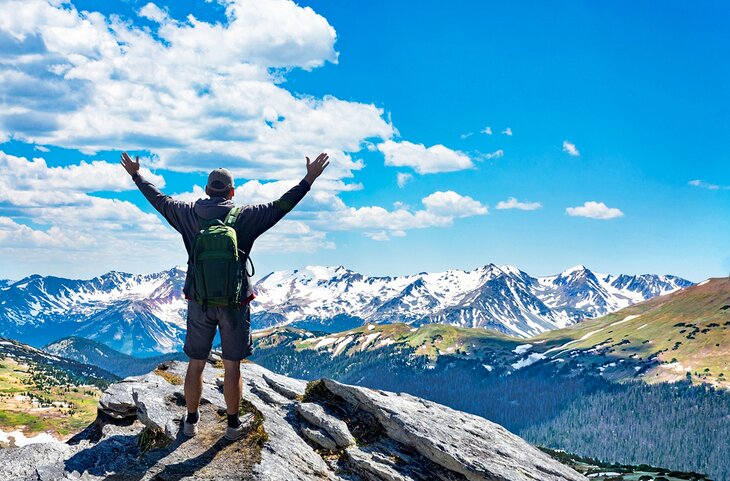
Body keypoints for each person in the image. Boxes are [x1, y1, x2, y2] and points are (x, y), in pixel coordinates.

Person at [120, 151, 329, 441]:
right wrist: (308, 180)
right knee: (232, 367)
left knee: (196, 364)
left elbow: (159, 200)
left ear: (206, 190)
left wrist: (136, 175)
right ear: (232, 192)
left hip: (200, 302)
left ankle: (191, 422)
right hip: (235, 303)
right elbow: (282, 206)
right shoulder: (247, 217)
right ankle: (232, 426)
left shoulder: (188, 214)